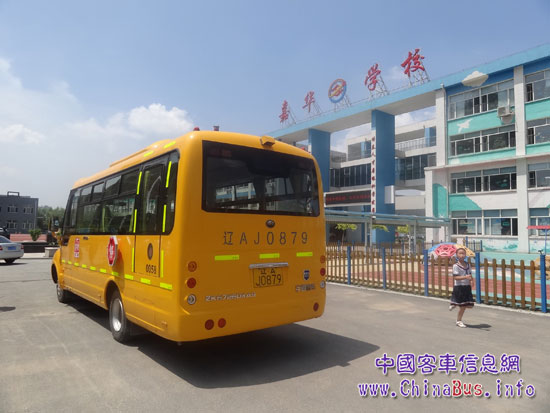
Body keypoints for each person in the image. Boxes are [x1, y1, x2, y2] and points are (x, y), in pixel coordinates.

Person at [449, 247, 475, 327]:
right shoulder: (455, 266)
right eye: (460, 253)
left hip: (467, 287)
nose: (462, 255)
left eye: (463, 253)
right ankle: (459, 321)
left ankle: (454, 303)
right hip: (459, 287)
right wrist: (465, 277)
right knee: (463, 306)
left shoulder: (468, 265)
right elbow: (455, 277)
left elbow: (470, 274)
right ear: (457, 255)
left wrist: (471, 280)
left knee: (469, 305)